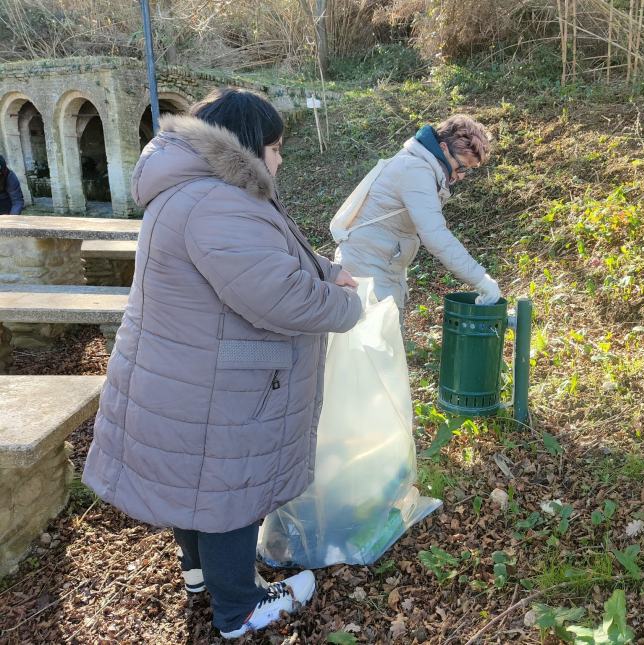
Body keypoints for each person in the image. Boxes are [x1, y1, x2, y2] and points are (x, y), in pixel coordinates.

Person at [82, 88, 362, 639]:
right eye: (277, 148)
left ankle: (199, 574)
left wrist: (326, 271)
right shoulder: (219, 202)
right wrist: (347, 303)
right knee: (228, 492)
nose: (280, 160)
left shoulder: (190, 189)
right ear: (252, 145)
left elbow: (266, 260)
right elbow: (278, 295)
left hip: (183, 371)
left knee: (193, 483)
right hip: (219, 384)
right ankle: (240, 609)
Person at [334, 114, 501, 315]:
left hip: (380, 266)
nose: (463, 175)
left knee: (387, 341)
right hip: (367, 271)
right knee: (374, 343)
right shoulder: (415, 169)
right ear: (443, 148)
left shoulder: (419, 164)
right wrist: (481, 280)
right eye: (462, 166)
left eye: (469, 170)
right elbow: (436, 235)